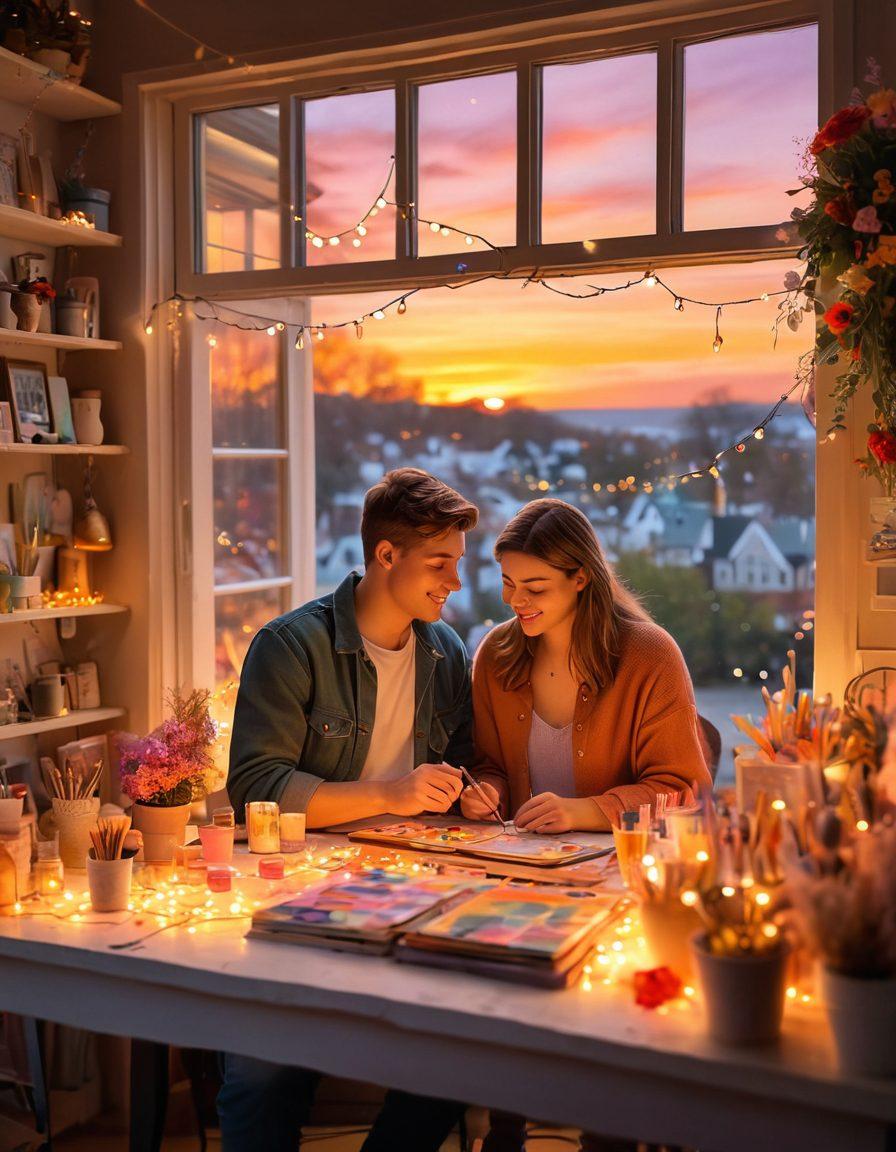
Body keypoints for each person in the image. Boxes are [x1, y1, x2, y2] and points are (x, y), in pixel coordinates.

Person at [219, 468, 478, 1152]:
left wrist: (481, 789)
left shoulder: (446, 652)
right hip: (298, 893)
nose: (455, 580)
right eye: (440, 563)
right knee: (261, 1073)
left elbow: (466, 761)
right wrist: (391, 795)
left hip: (416, 891)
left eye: (458, 562)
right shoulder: (290, 646)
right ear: (386, 555)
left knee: (461, 1051)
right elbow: (257, 787)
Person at [461, 498, 712, 1152]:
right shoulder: (496, 655)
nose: (516, 601)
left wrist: (583, 811)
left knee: (607, 1022)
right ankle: (505, 1129)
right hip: (521, 881)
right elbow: (489, 764)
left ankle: (609, 1134)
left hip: (619, 887)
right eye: (508, 583)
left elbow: (684, 789)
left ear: (581, 578)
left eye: (535, 586)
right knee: (495, 1002)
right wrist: (484, 792)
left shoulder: (648, 655)